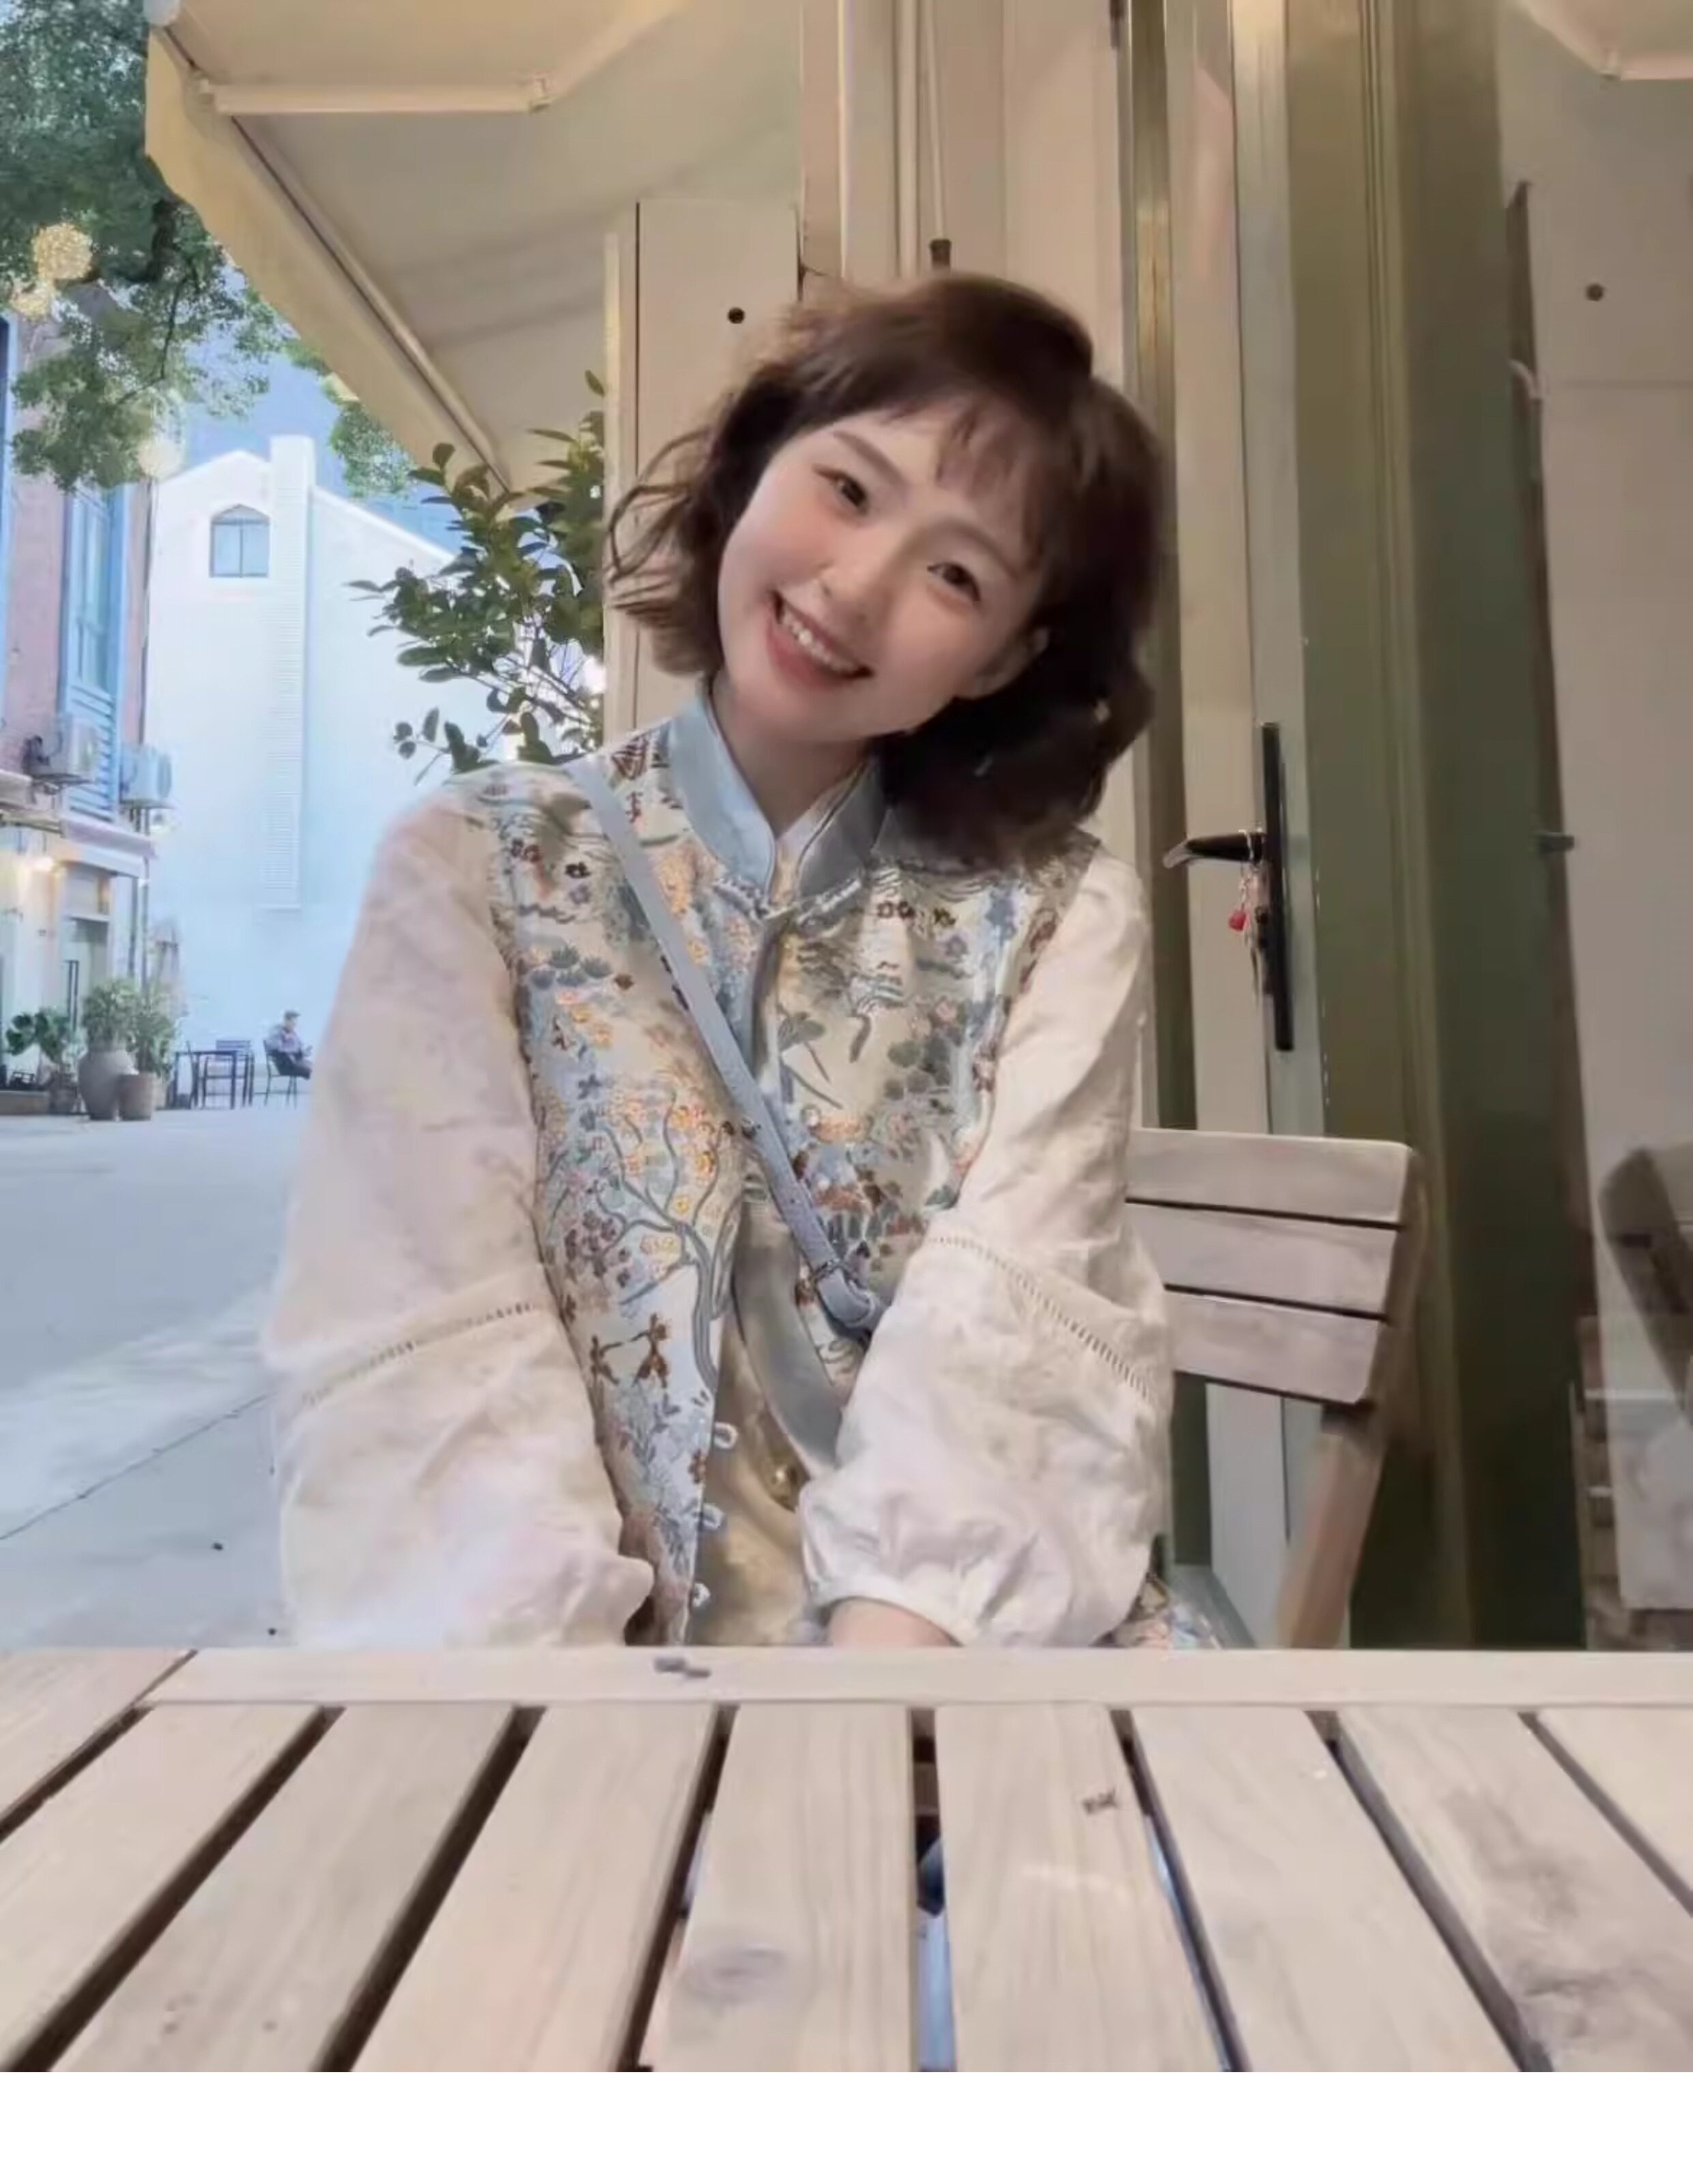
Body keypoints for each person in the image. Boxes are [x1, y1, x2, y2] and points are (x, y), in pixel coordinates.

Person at [266, 274, 1176, 1652]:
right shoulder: (477, 867)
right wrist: (559, 1716)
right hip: (546, 1686)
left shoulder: (1058, 915)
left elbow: (1020, 1321)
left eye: (956, 575)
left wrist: (877, 1713)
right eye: (848, 490)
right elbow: (421, 1318)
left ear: (1003, 659)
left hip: (948, 1666)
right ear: (754, 467)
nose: (854, 588)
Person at [266, 1012, 313, 1080]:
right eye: (293, 1022)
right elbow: (277, 1049)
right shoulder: (277, 1032)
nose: (295, 1025)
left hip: (295, 1062)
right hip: (286, 1065)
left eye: (295, 1022)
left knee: (317, 1067)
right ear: (286, 1021)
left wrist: (305, 1051)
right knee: (314, 1070)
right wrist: (294, 1050)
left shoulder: (293, 1033)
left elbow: (299, 1048)